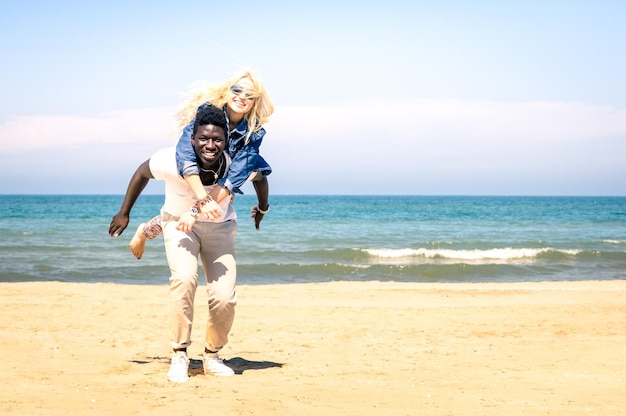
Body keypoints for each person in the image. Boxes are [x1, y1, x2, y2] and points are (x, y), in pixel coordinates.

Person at [109, 104, 267, 382]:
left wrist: (262, 207)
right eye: (203, 139)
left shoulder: (234, 163)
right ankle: (180, 353)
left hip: (220, 229)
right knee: (184, 279)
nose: (210, 145)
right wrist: (124, 212)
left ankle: (212, 355)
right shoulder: (170, 160)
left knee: (224, 297)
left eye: (217, 139)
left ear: (226, 141)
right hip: (178, 222)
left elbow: (260, 177)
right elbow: (141, 172)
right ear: (191, 139)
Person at [126, 68, 274, 260]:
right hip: (197, 169)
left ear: (255, 101)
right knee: (182, 213)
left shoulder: (253, 133)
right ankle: (144, 232)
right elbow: (186, 153)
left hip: (226, 174)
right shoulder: (207, 112)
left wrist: (262, 209)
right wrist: (201, 201)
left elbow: (239, 177)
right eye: (237, 90)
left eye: (250, 95)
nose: (242, 97)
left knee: (209, 212)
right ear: (228, 91)